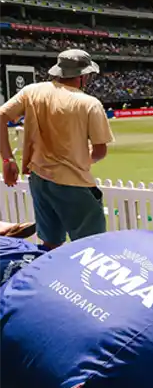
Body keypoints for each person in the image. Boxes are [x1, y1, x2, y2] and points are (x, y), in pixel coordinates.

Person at [0, 49, 113, 250]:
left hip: (39, 179)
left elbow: (1, 117)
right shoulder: (89, 103)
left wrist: (8, 160)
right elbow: (99, 151)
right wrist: (80, 158)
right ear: (82, 76)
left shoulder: (32, 91)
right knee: (93, 247)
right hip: (73, 183)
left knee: (51, 243)